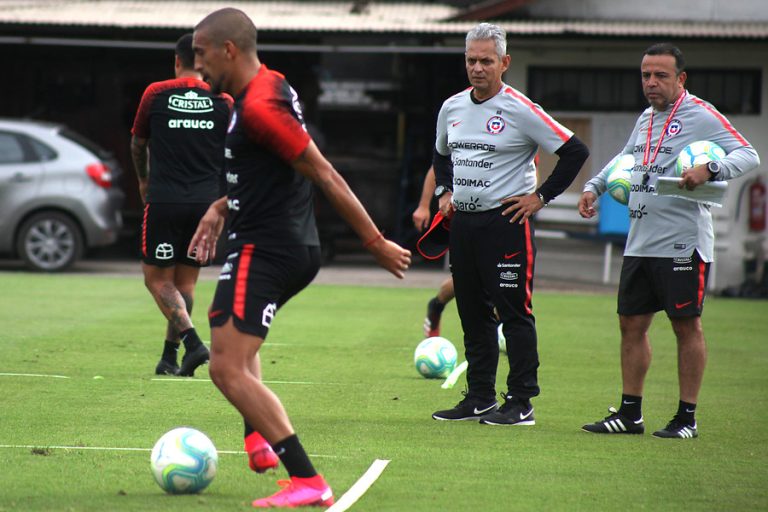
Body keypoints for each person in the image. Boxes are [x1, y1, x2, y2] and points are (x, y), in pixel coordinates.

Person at [189, 8, 411, 508]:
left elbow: (324, 173)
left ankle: (308, 480)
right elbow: (271, 172)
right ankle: (257, 439)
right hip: (278, 240)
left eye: (201, 54)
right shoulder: (270, 86)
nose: (197, 66)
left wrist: (374, 242)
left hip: (268, 246)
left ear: (228, 49)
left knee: (224, 367)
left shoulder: (261, 108)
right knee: (235, 347)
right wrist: (221, 206)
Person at [579, 43, 759, 439]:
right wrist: (595, 186)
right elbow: (625, 158)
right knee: (631, 324)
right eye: (646, 75)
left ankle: (686, 418)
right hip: (641, 239)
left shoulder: (701, 114)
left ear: (681, 78)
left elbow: (748, 154)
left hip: (682, 242)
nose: (651, 83)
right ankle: (630, 415)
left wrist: (712, 168)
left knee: (685, 325)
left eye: (661, 75)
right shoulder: (646, 118)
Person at [431, 23, 589, 425]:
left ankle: (521, 402)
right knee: (471, 311)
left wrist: (540, 198)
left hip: (506, 222)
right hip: (464, 224)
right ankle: (480, 397)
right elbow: (440, 156)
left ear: (505, 62)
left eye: (486, 61)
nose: (478, 68)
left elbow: (574, 151)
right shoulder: (451, 107)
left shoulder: (521, 108)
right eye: (471, 60)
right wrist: (444, 192)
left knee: (514, 314)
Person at [130, 33, 232, 377]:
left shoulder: (156, 93)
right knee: (185, 286)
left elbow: (137, 143)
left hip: (165, 201)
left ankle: (193, 344)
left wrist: (143, 180)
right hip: (206, 207)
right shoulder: (224, 101)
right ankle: (169, 358)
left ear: (177, 61)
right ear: (203, 61)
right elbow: (234, 155)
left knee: (156, 280)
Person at [412, 166, 455, 337]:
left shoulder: (521, 140)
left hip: (502, 217)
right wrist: (423, 206)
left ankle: (500, 330)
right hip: (464, 215)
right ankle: (436, 305)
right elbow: (437, 165)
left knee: (499, 278)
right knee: (465, 279)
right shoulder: (458, 139)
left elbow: (532, 168)